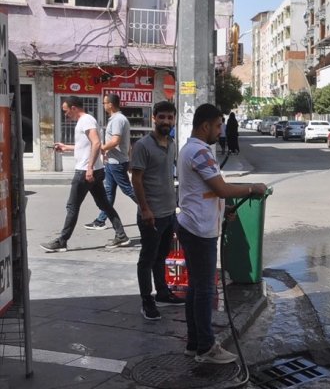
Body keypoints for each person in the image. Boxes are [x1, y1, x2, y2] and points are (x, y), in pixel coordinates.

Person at [177, 103, 267, 364]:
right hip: (199, 230)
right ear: (205, 126)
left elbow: (203, 191)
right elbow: (221, 189)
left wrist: (223, 208)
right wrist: (252, 188)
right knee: (204, 289)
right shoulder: (199, 152)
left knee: (196, 287)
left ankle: (194, 344)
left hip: (194, 225)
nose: (220, 130)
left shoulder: (193, 149)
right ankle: (206, 348)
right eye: (217, 125)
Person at [41, 96, 129, 252]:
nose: (65, 114)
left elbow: (96, 143)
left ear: (74, 108)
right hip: (94, 170)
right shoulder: (85, 121)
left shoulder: (86, 120)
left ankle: (62, 241)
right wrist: (66, 147)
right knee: (104, 204)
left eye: (66, 111)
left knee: (72, 206)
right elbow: (86, 146)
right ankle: (121, 235)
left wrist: (89, 168)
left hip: (85, 171)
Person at [131, 101, 185, 320]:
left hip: (168, 213)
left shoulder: (171, 144)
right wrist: (145, 209)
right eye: (161, 117)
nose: (166, 121)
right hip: (151, 214)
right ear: (154, 118)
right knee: (147, 258)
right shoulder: (143, 145)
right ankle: (147, 300)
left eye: (170, 118)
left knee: (162, 256)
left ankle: (162, 293)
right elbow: (136, 180)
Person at [84, 94, 136, 239]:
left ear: (111, 105)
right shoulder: (117, 119)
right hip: (113, 161)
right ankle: (101, 220)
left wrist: (102, 148)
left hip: (116, 163)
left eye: (104, 102)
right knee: (109, 193)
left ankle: (148, 207)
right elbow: (127, 143)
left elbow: (116, 141)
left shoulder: (118, 119)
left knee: (127, 189)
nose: (103, 105)